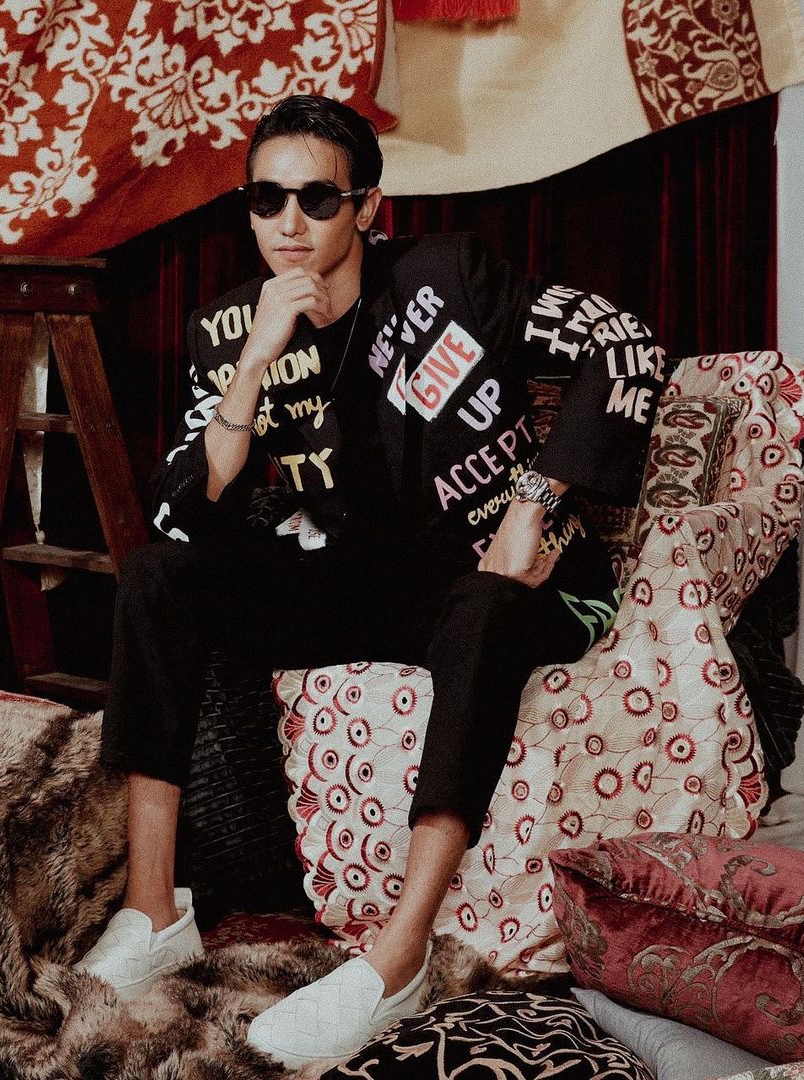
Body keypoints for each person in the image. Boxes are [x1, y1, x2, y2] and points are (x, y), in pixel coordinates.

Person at [76, 94, 667, 1068]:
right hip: (357, 578)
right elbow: (187, 512)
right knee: (156, 576)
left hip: (501, 579)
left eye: (317, 198)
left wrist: (534, 501)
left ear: (366, 208)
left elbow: (624, 344)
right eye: (266, 200)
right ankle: (154, 912)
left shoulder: (450, 281)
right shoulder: (231, 329)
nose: (290, 223)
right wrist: (254, 364)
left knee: (481, 605)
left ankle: (399, 954)